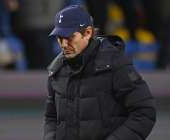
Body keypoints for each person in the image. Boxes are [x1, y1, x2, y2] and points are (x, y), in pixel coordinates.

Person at [43, 5, 156, 140]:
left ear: (88, 33)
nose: (64, 44)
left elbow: (144, 112)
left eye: (70, 37)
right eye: (60, 38)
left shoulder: (114, 63)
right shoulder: (57, 69)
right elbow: (51, 117)